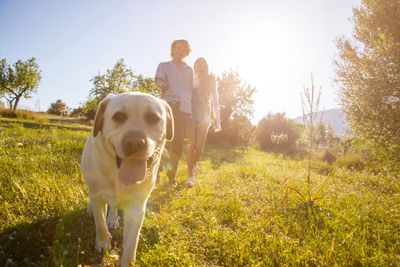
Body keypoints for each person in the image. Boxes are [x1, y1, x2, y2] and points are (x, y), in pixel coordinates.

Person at [155, 39, 194, 185]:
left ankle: (171, 175)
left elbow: (190, 91)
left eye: (183, 49)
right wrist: (162, 84)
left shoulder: (189, 70)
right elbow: (158, 80)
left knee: (177, 142)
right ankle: (156, 171)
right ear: (173, 49)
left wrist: (191, 111)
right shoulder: (164, 66)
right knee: (161, 139)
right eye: (178, 48)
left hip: (183, 109)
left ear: (186, 52)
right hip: (167, 105)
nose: (180, 51)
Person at [185, 57, 221, 186]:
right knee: (190, 145)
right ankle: (190, 177)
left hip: (205, 115)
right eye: (197, 62)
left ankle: (195, 163)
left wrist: (218, 120)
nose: (199, 64)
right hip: (191, 115)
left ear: (206, 66)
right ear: (194, 66)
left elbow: (215, 99)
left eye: (202, 63)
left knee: (199, 147)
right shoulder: (190, 79)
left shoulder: (210, 79)